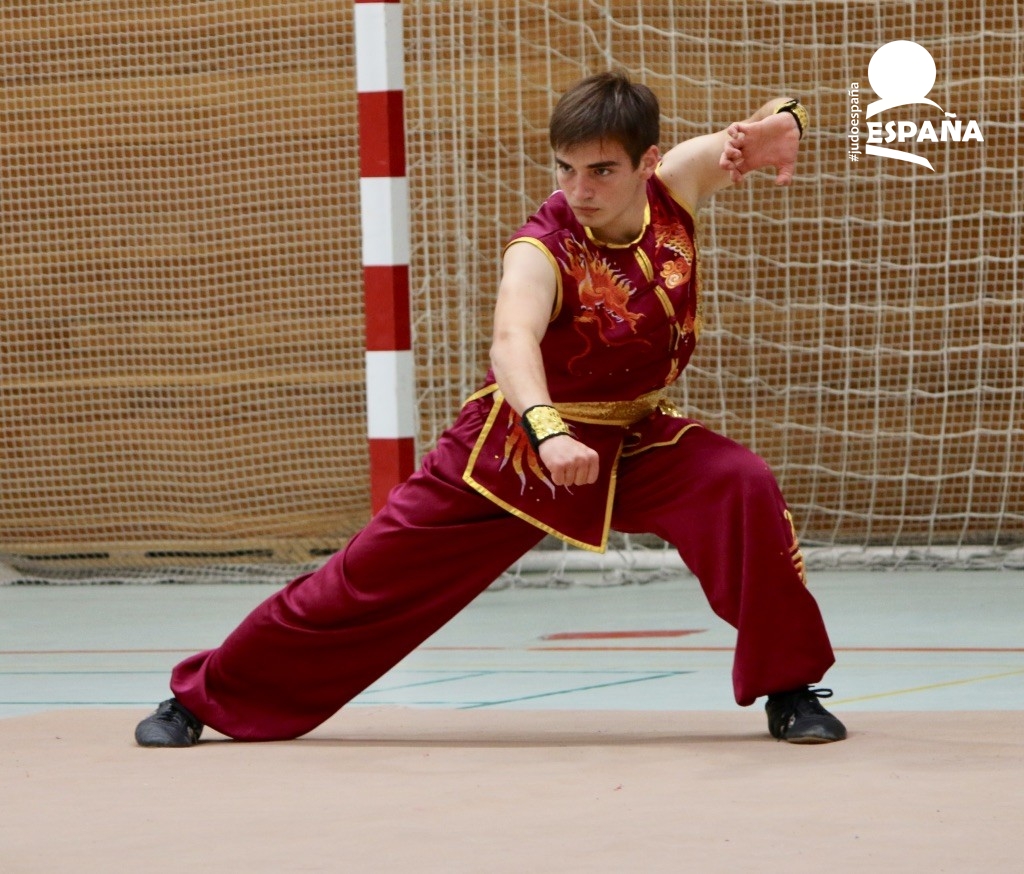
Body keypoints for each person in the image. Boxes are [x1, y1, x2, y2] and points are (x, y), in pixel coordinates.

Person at [135, 71, 846, 748]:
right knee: (362, 583)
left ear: (647, 162)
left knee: (739, 483)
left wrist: (786, 121)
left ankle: (791, 690)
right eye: (565, 168)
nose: (579, 189)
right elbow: (511, 342)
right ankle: (199, 698)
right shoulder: (540, 249)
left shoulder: (678, 182)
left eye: (601, 171)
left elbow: (765, 124)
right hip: (515, 446)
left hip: (631, 434)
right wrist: (548, 430)